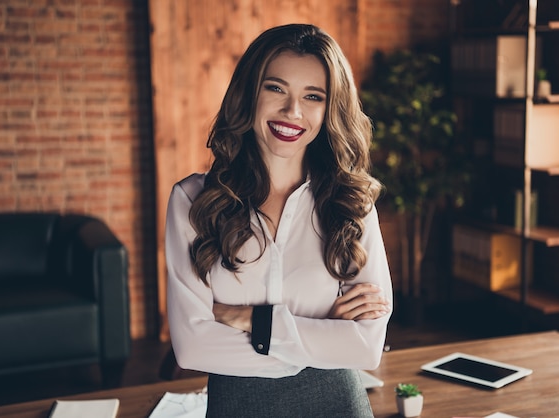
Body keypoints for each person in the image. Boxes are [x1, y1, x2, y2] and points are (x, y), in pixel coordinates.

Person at [165, 23, 393, 417]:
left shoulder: (352, 203)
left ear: (329, 108)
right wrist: (323, 332)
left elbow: (366, 347)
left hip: (337, 403)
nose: (293, 111)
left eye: (313, 96)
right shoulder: (193, 202)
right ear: (249, 93)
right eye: (275, 88)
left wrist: (247, 320)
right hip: (238, 406)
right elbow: (192, 347)